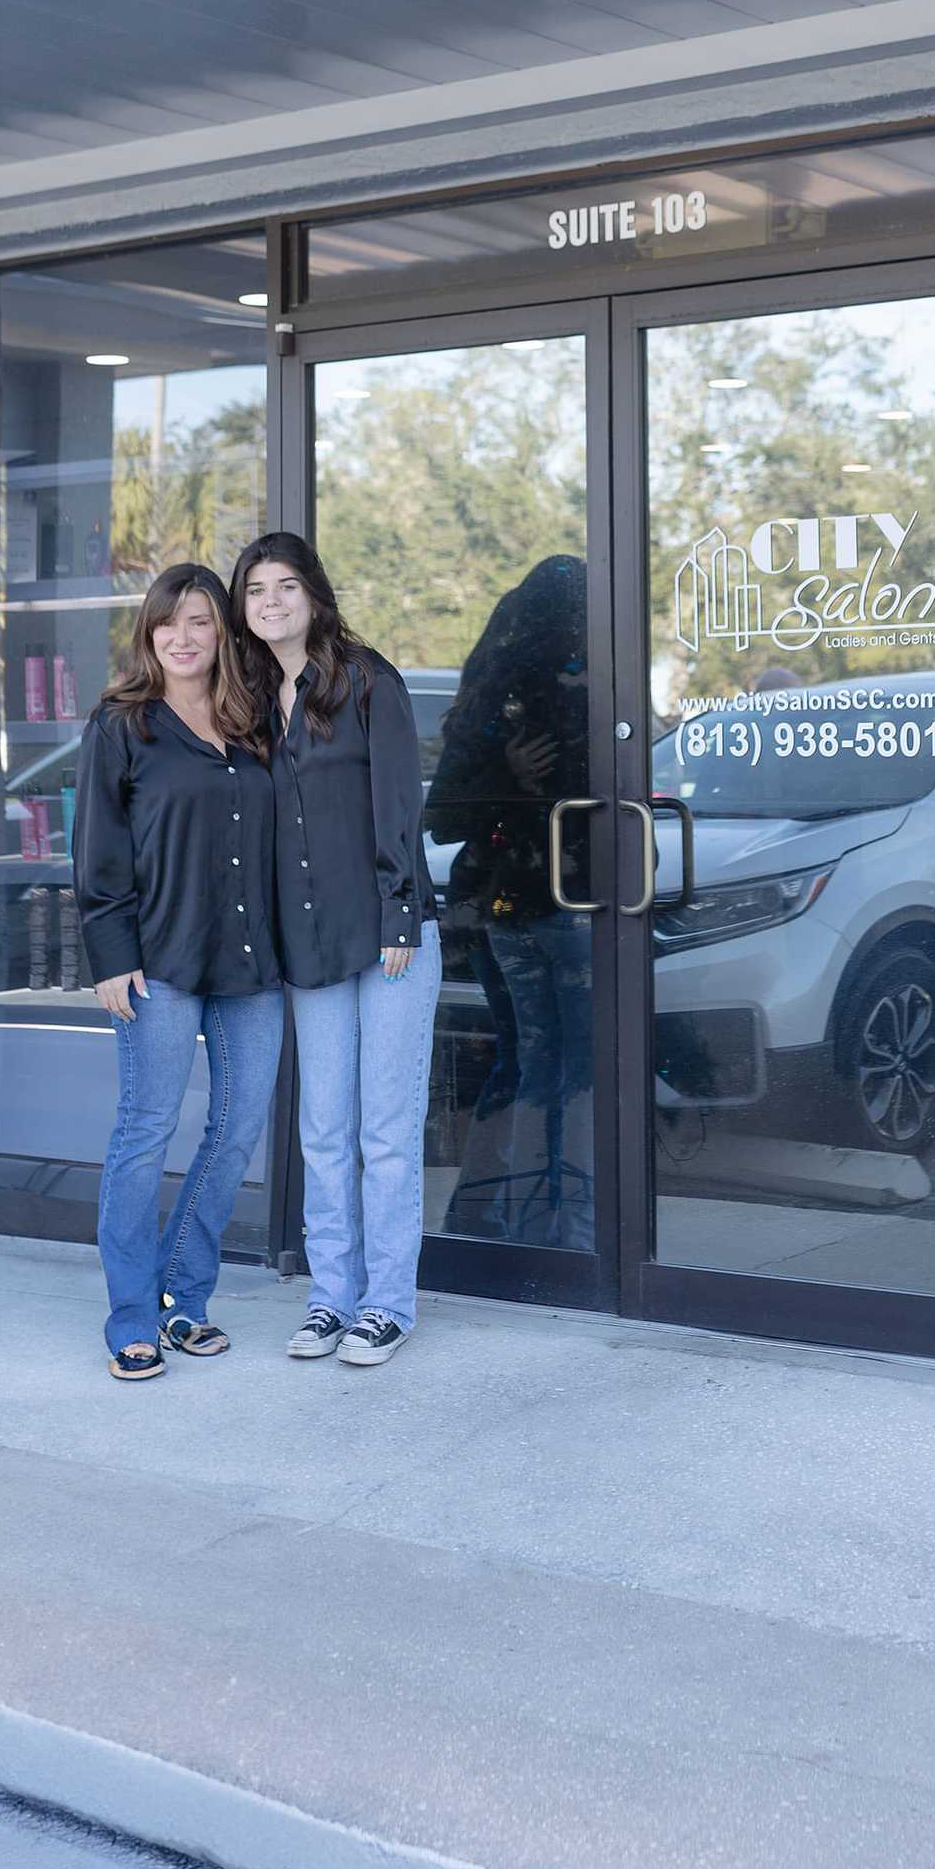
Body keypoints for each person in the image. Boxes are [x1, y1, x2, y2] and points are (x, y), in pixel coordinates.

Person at [231, 531, 441, 1369]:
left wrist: (399, 915)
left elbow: (397, 802)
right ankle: (331, 1299)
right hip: (310, 941)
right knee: (323, 1130)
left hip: (388, 936)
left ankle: (387, 1305)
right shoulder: (247, 695)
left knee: (385, 1131)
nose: (271, 602)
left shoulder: (366, 679)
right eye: (255, 591)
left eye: (286, 586)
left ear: (314, 595)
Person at [73, 562, 284, 1381]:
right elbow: (98, 854)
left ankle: (185, 1301)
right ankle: (131, 1314)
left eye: (201, 622)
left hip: (250, 964)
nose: (185, 638)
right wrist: (110, 958)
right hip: (156, 964)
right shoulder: (123, 726)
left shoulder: (254, 720)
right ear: (149, 633)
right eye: (170, 623)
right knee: (144, 1134)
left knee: (235, 1134)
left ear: (223, 631)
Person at [425, 556, 594, 1250]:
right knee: (570, 1066)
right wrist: (517, 779)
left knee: (527, 1057)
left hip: (500, 905)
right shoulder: (566, 694)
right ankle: (564, 1232)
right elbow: (447, 815)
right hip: (557, 901)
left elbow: (443, 815)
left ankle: (488, 1220)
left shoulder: (486, 695)